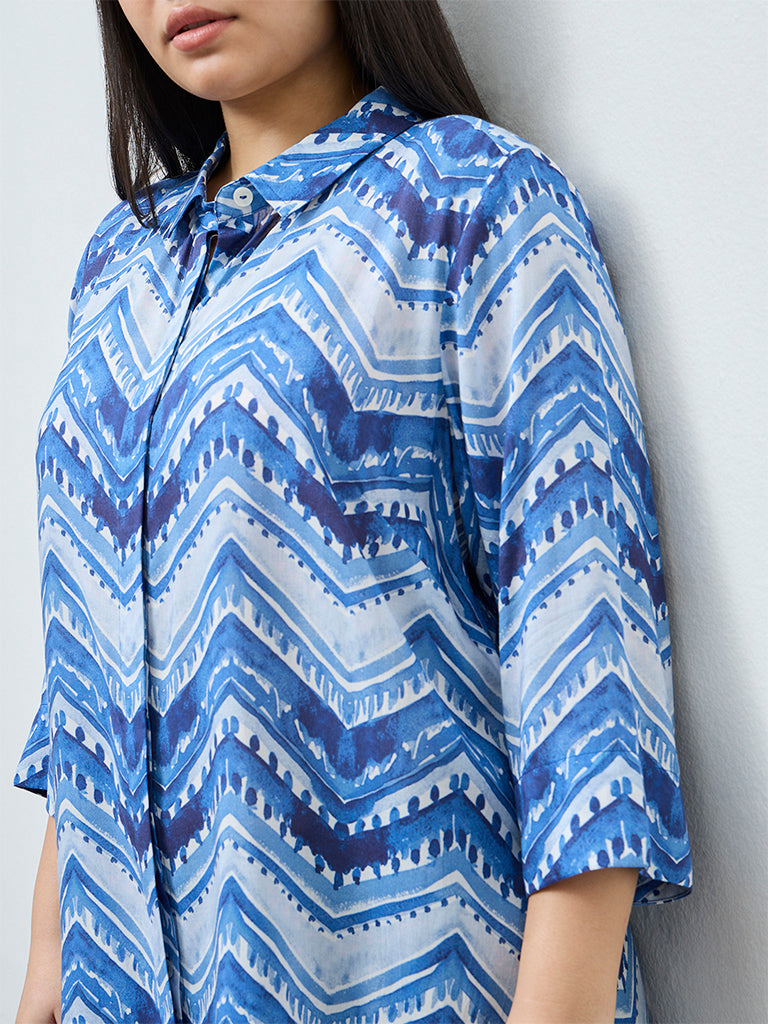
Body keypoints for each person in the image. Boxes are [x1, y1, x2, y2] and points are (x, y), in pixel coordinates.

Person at [13, 2, 693, 1023]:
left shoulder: (473, 201)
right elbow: (95, 671)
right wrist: (44, 975)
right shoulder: (122, 265)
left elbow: (587, 663)